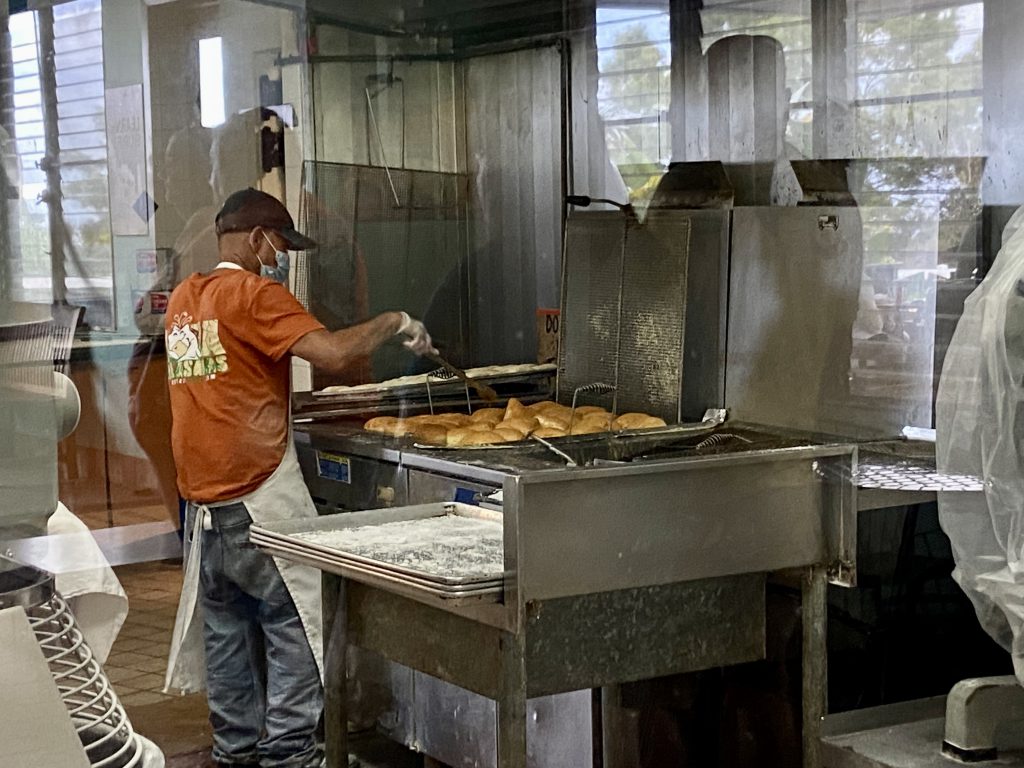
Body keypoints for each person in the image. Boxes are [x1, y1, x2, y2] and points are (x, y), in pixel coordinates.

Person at [162, 187, 435, 768]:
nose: (282, 258)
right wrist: (396, 321)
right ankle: (289, 756)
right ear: (259, 239)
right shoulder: (256, 295)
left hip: (204, 507)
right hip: (257, 496)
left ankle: (236, 752)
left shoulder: (186, 298)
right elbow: (332, 355)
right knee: (294, 625)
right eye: (281, 246)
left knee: (228, 633)